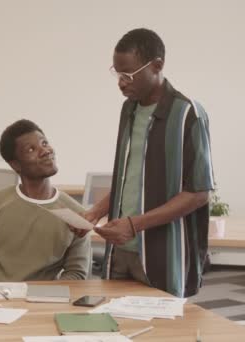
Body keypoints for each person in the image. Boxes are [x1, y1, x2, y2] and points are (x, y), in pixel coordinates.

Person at [84, 28, 214, 297]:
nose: (121, 82)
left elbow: (199, 193)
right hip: (120, 250)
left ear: (157, 66)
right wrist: (95, 212)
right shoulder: (129, 109)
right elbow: (129, 176)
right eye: (117, 74)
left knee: (163, 334)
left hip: (162, 253)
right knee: (112, 326)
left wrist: (134, 225)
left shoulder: (189, 113)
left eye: (128, 74)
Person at [0, 119, 91, 282]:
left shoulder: (77, 214)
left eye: (44, 143)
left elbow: (76, 272)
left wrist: (47, 299)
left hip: (44, 302)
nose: (45, 151)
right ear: (15, 165)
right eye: (31, 149)